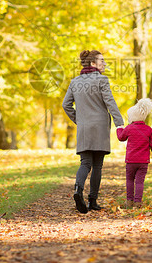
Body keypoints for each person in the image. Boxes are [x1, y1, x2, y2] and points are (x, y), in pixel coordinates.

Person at [62, 50, 124, 214]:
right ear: (93, 64)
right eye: (102, 61)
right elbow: (110, 102)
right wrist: (120, 123)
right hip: (100, 126)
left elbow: (66, 105)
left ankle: (78, 189)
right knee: (97, 165)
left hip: (84, 128)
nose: (105, 64)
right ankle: (92, 201)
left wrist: (78, 120)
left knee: (85, 163)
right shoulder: (102, 80)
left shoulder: (75, 82)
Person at [116, 98, 152, 209]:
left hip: (131, 161)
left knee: (129, 180)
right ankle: (137, 203)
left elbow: (121, 137)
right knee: (139, 182)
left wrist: (119, 128)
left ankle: (129, 202)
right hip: (143, 162)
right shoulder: (148, 130)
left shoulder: (129, 128)